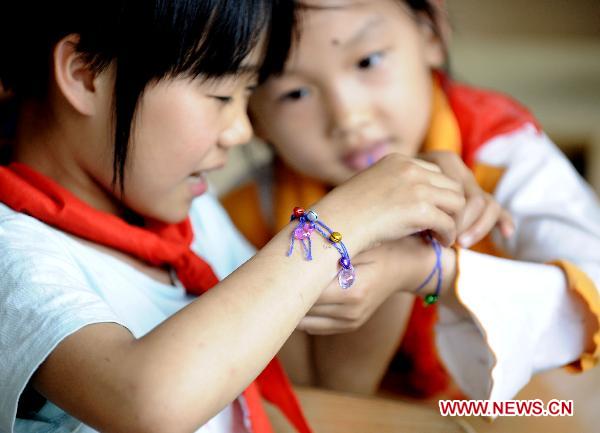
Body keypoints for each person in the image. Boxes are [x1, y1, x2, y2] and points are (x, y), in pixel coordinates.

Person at [0, 1, 470, 432]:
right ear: (85, 75)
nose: (241, 131)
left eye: (247, 96)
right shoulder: (13, 250)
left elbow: (319, 374)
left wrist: (396, 229)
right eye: (221, 97)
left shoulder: (194, 218)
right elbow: (143, 404)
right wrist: (338, 223)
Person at [223, 0, 600, 401]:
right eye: (295, 92)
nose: (348, 117)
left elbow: (590, 295)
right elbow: (318, 392)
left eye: (368, 61)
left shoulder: (503, 157)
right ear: (253, 114)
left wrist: (429, 270)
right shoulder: (248, 214)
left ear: (431, 32)